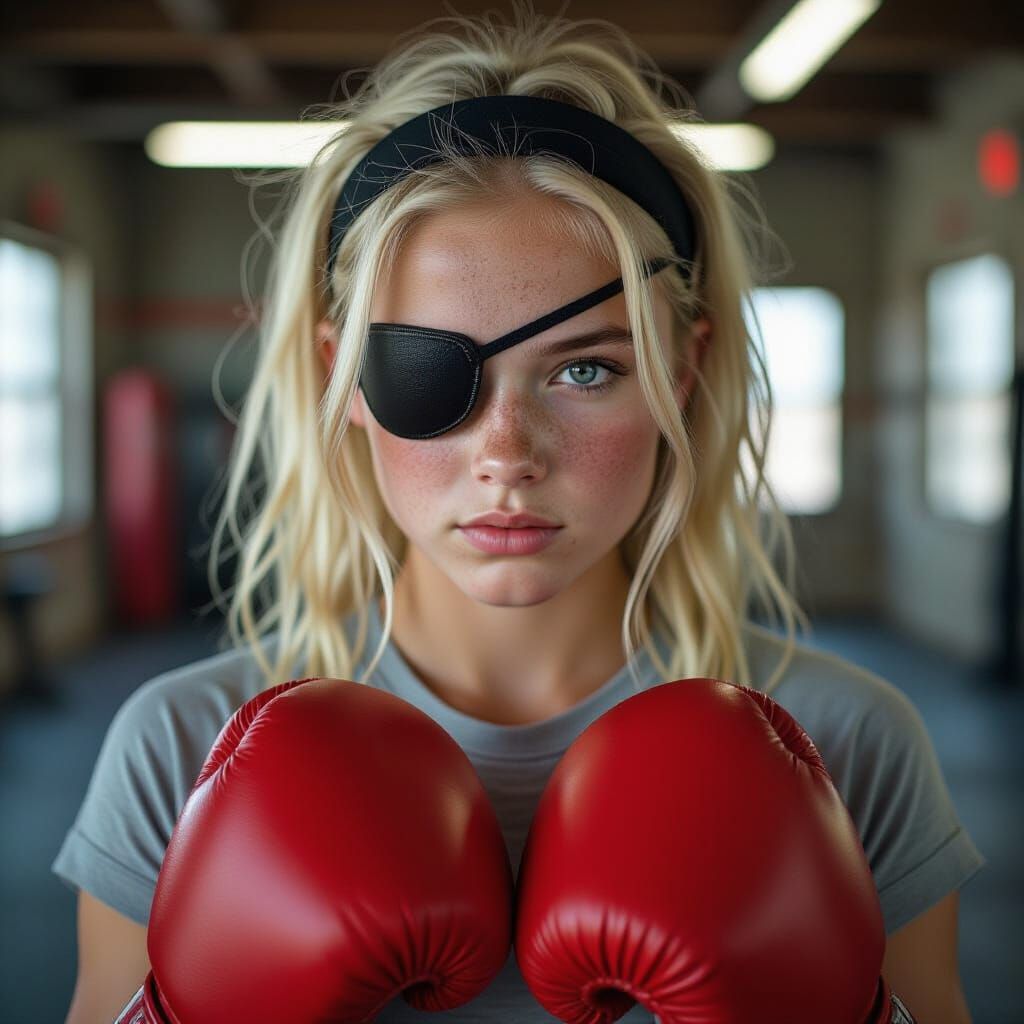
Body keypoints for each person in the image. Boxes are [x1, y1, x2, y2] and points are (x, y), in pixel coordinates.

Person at [53, 3, 985, 1022]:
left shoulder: (847, 746)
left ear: (681, 371)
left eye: (585, 370)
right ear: (344, 376)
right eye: (429, 373)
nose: (507, 456)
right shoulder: (181, 748)